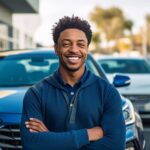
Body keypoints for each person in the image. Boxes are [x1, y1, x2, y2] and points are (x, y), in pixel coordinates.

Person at [21, 16, 126, 150]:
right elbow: (31, 144)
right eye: (66, 44)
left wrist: (50, 139)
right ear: (56, 49)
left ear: (87, 49)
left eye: (80, 44)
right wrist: (89, 134)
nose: (74, 50)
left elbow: (115, 145)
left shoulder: (107, 92)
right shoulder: (36, 93)